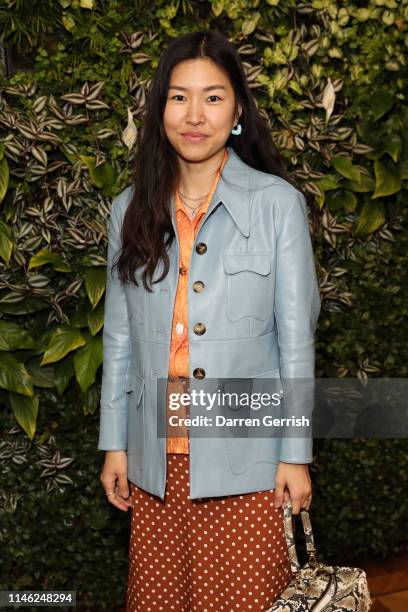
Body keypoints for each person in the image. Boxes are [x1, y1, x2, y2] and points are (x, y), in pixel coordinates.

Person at [98, 29, 321, 612]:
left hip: (247, 458)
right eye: (178, 97)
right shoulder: (130, 208)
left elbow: (296, 342)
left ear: (238, 109)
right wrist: (115, 445)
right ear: (160, 109)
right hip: (155, 459)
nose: (194, 115)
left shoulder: (277, 205)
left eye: (213, 97)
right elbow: (118, 340)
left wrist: (294, 454)